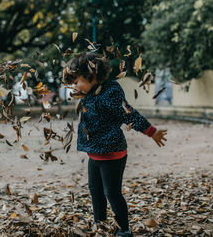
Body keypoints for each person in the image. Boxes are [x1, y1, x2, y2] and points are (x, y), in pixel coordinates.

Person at [63, 52, 167, 237]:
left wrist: (151, 131)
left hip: (112, 154)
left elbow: (129, 114)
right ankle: (100, 224)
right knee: (95, 191)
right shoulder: (90, 92)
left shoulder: (110, 93)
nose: (74, 85)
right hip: (94, 154)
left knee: (112, 193)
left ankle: (124, 229)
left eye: (77, 80)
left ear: (91, 76)